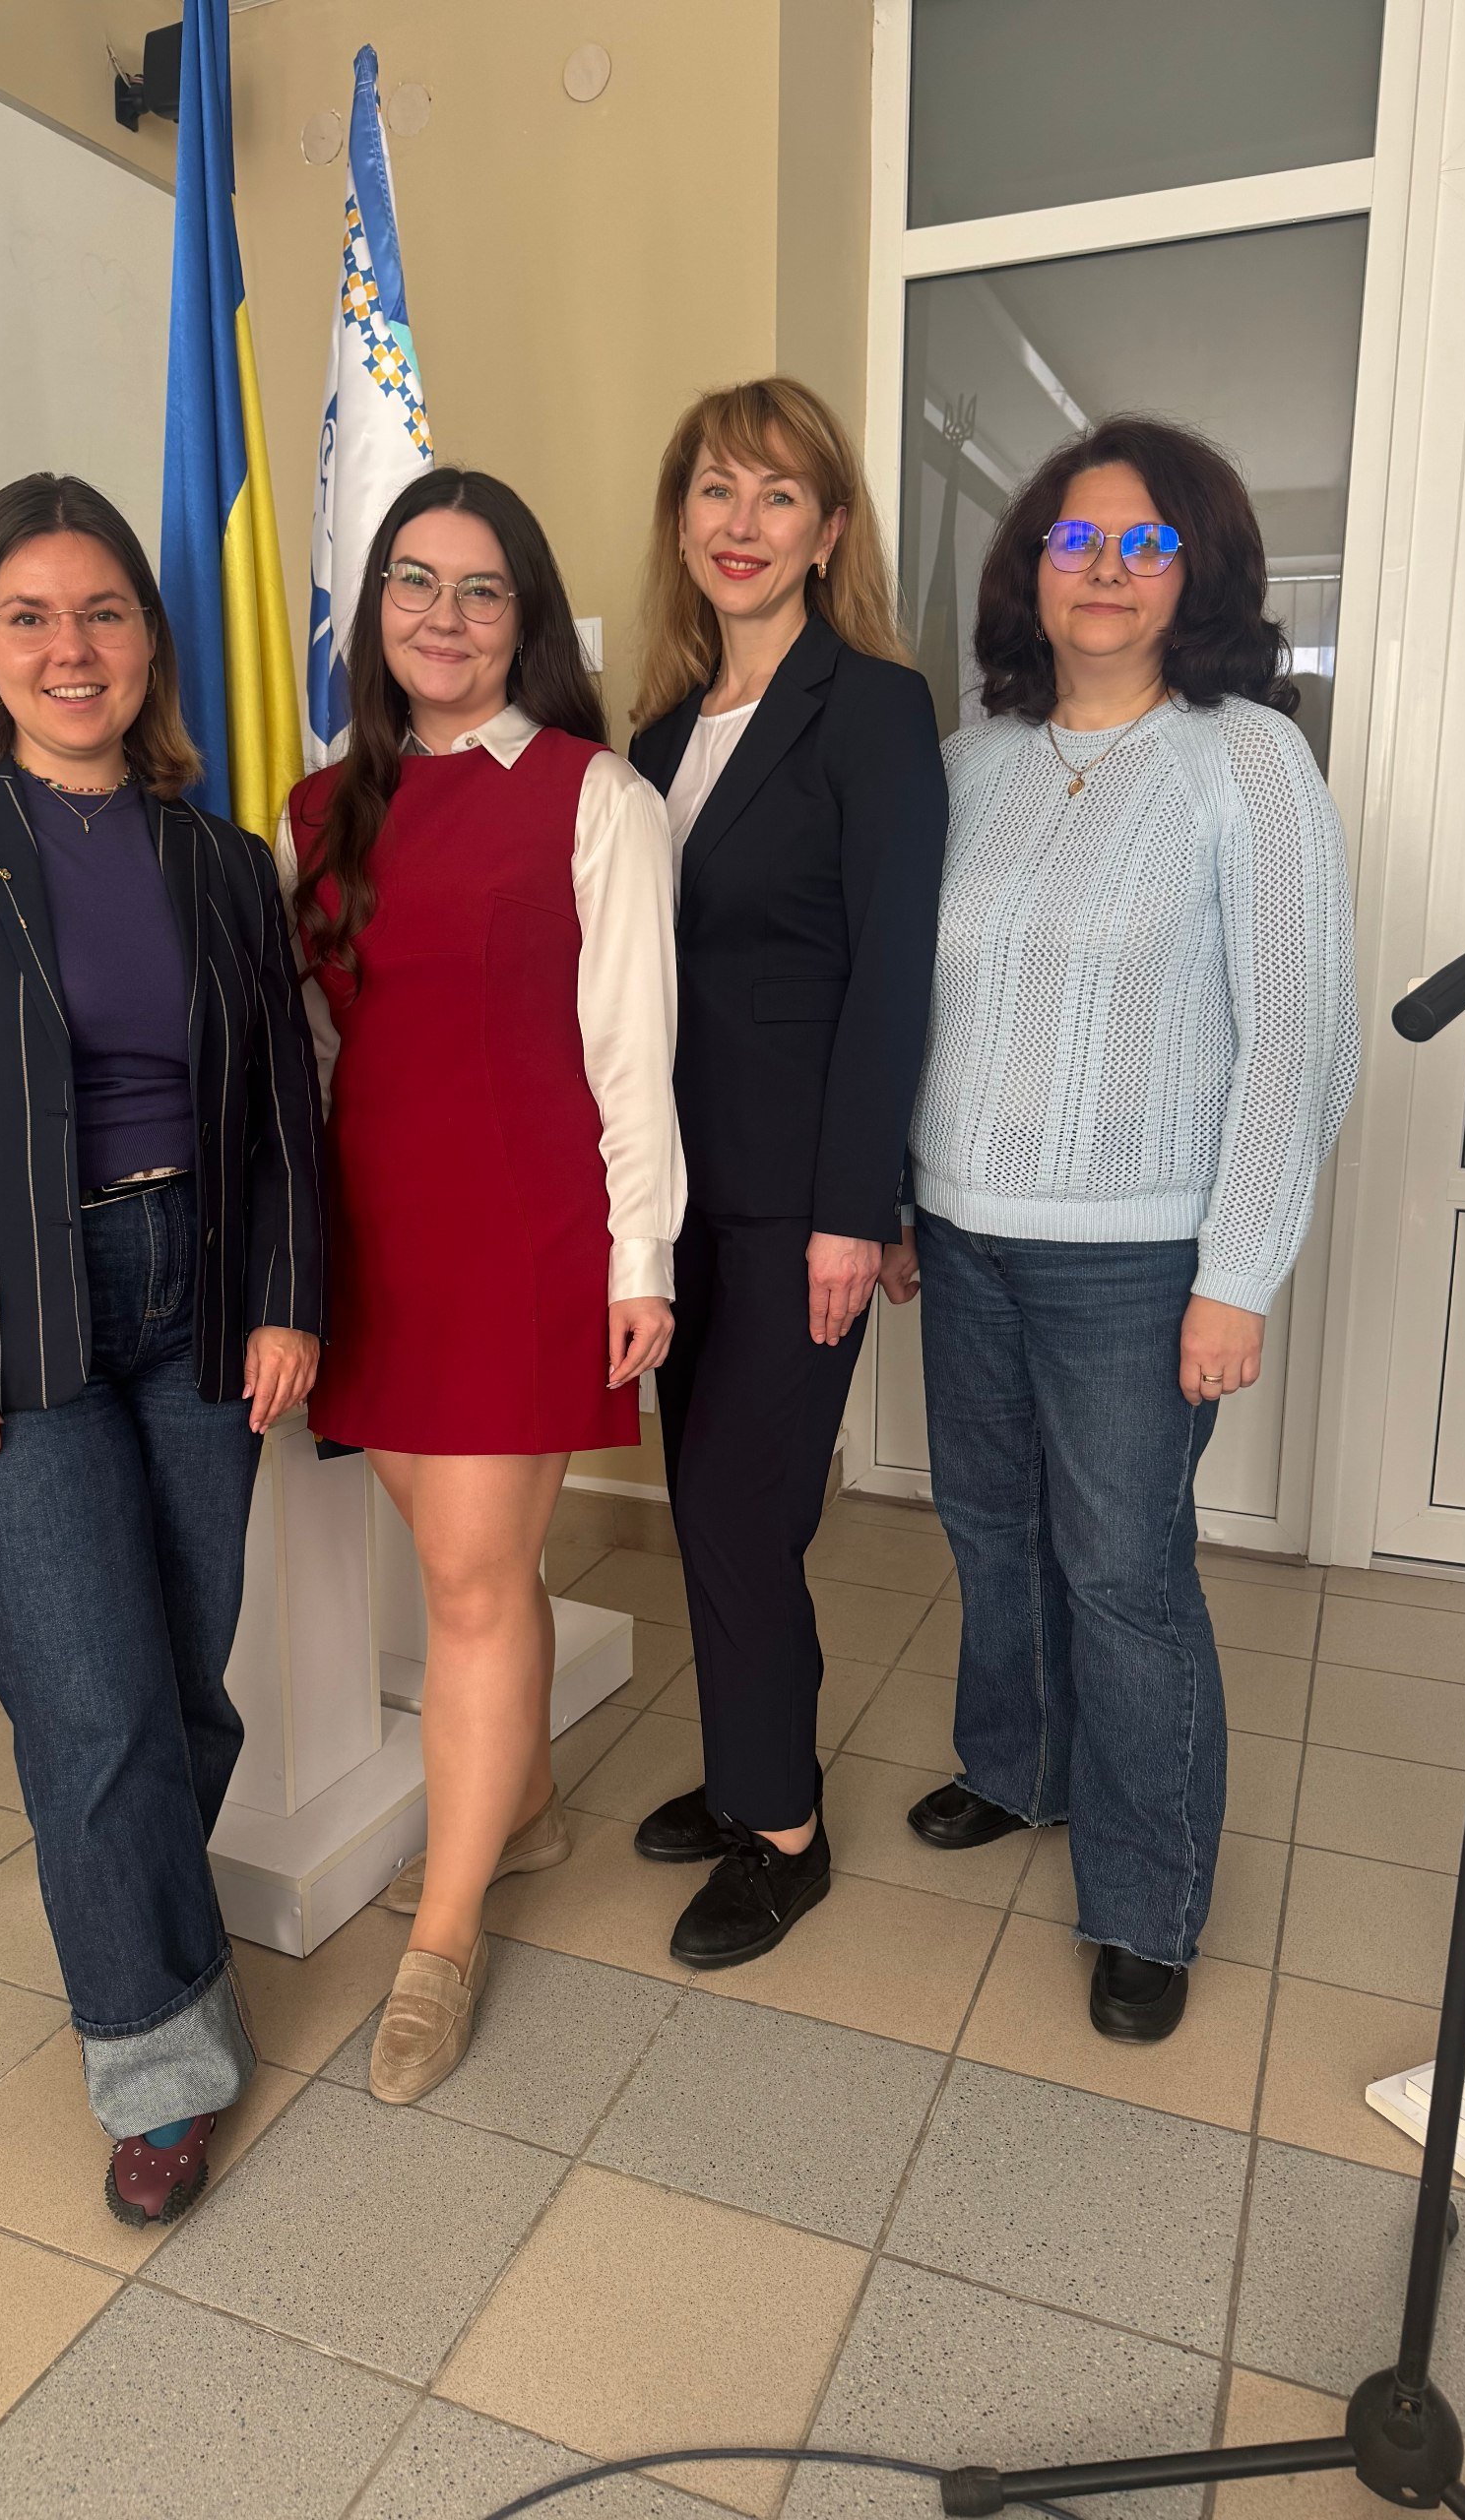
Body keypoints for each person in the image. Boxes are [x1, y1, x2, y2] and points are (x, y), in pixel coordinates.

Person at [0, 473, 325, 2221]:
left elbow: (283, 1105)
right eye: (27, 616)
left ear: (148, 643)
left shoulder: (220, 860)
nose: (69, 647)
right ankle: (159, 2064)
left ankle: (154, 1942)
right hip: (5, 1314)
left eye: (103, 611)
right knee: (88, 1699)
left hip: (203, 1302)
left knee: (180, 1684)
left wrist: (286, 1294)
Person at [896, 415, 1359, 2042]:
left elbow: (1299, 1038)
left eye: (1146, 543)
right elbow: (917, 1012)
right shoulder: (969, 765)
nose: (1107, 569)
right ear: (1032, 568)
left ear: (1196, 572)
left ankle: (1148, 1897)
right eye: (1078, 540)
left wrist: (1239, 1274)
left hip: (1140, 1260)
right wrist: (900, 1194)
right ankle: (1018, 1767)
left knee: (1126, 1572)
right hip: (963, 1233)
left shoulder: (1248, 761)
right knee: (989, 1526)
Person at [276, 469, 682, 2104]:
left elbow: (634, 1049)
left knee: (466, 1579)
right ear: (373, 608)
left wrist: (641, 1254)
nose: (443, 617)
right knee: (466, 1566)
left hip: (526, 1232)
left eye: (481, 589)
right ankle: (521, 1809)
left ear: (528, 619)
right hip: (375, 1237)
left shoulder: (597, 796)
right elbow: (319, 1050)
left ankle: (441, 1941)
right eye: (413, 583)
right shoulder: (318, 810)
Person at [625, 378, 948, 1968]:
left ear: (827, 533)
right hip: (671, 1202)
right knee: (706, 1509)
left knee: (741, 1514)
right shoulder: (655, 737)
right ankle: (751, 1766)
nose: (739, 523)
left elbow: (893, 977)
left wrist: (854, 1210)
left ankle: (785, 1836)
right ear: (681, 523)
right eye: (714, 491)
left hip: (792, 1203)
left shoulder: (873, 709)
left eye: (776, 496)